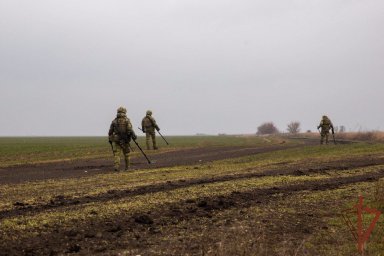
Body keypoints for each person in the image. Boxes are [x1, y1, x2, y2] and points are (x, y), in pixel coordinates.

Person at [108, 107, 137, 171]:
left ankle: (116, 166)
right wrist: (133, 136)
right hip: (125, 139)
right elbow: (130, 129)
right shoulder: (127, 120)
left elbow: (110, 131)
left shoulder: (114, 121)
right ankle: (127, 167)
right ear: (124, 112)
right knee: (127, 154)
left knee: (117, 154)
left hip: (117, 139)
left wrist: (110, 138)